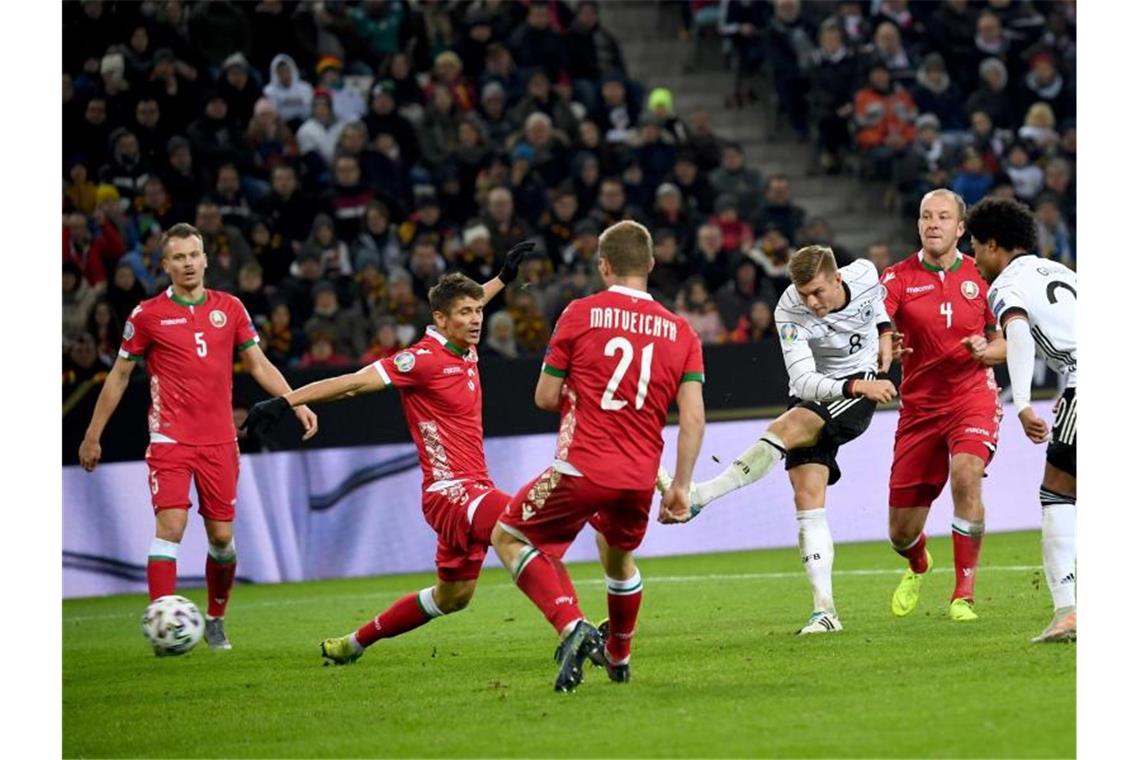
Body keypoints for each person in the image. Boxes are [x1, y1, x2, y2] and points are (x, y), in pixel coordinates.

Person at [242, 243, 536, 665]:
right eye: (466, 313)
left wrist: (503, 280)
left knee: (454, 597)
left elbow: (471, 303)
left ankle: (353, 643)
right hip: (453, 491)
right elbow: (353, 383)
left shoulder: (463, 342)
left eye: (479, 311)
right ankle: (574, 626)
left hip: (471, 487)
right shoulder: (419, 360)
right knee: (522, 525)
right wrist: (286, 401)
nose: (476, 320)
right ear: (440, 319)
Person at [77, 223, 319, 651]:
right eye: (179, 257)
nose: (188, 263)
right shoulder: (147, 315)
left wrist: (295, 401)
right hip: (170, 439)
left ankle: (216, 618)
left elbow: (259, 365)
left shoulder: (231, 308)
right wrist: (93, 434)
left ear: (205, 259)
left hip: (220, 441)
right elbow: (118, 376)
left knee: (222, 539)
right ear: (165, 264)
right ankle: (162, 626)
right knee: (170, 526)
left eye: (194, 255)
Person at [490, 220, 706, 692]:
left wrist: (580, 392)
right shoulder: (683, 332)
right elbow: (692, 420)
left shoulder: (579, 313)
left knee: (509, 536)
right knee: (618, 560)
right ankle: (619, 656)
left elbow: (545, 398)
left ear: (604, 266)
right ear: (650, 264)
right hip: (639, 478)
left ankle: (573, 626)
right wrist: (681, 487)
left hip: (582, 466)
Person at [657, 246, 896, 634]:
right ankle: (826, 610)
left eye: (818, 292)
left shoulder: (866, 273)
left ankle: (700, 495)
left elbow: (877, 303)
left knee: (789, 427)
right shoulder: (789, 308)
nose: (811, 302)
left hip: (854, 394)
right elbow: (803, 382)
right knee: (807, 496)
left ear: (838, 279)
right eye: (804, 294)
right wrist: (858, 385)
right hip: (827, 389)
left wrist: (884, 333)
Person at [881, 189, 1004, 623]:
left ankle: (963, 595)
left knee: (966, 473)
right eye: (926, 216)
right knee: (900, 533)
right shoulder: (895, 278)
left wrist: (988, 351)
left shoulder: (984, 277)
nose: (934, 223)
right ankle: (918, 562)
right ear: (918, 225)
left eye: (943, 217)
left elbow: (1008, 340)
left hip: (972, 396)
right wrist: (888, 345)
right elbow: (880, 328)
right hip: (919, 410)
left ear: (961, 227)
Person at [966, 197, 1076, 643]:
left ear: (994, 245)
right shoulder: (1061, 272)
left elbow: (1016, 331)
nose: (973, 259)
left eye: (975, 247)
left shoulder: (1006, 284)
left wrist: (1025, 403)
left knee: (1058, 493)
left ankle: (1068, 612)